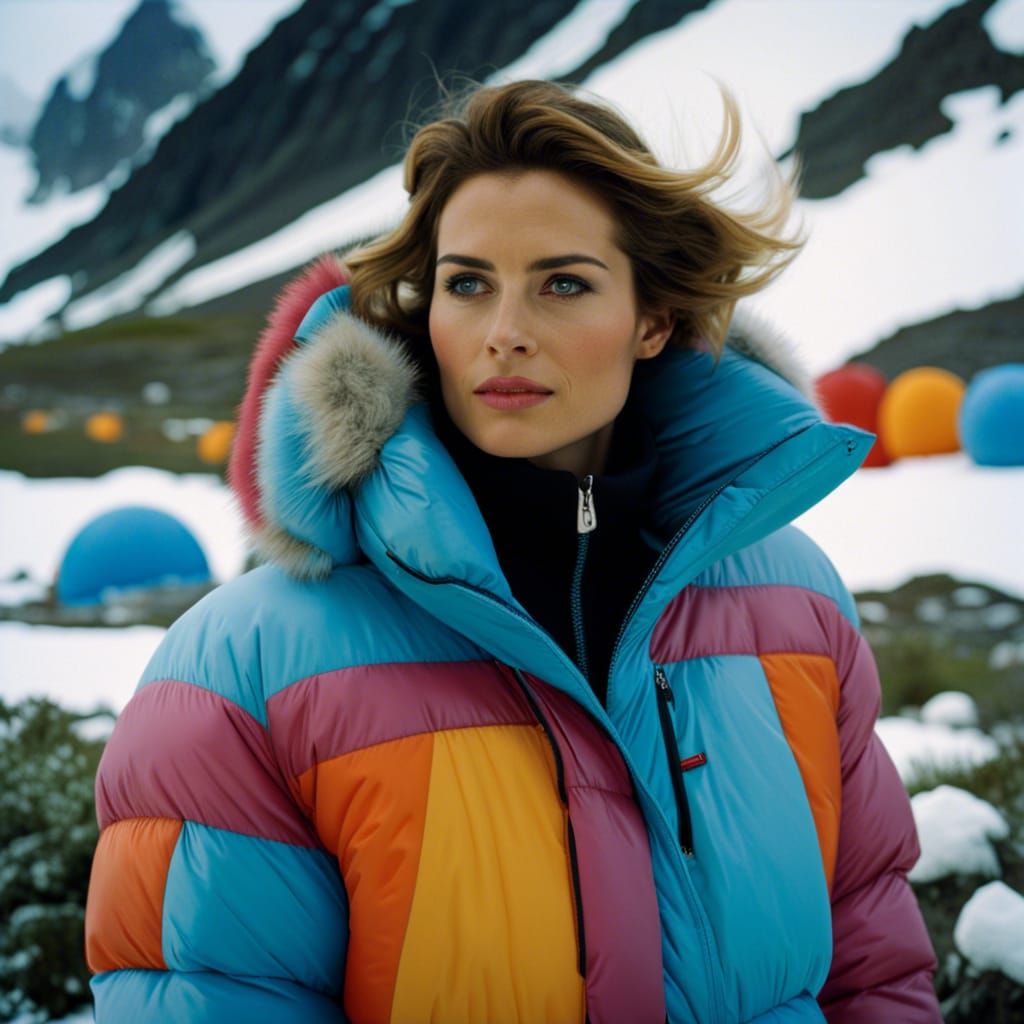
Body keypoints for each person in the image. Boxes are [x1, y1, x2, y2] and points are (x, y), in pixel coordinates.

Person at [84, 79, 941, 1023]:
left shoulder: (797, 605)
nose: (505, 335)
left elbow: (874, 971)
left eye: (563, 284)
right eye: (468, 285)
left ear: (652, 319)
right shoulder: (243, 673)